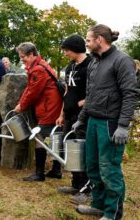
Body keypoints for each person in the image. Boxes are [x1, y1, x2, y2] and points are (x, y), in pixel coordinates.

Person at [74, 24, 138, 220]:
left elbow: (130, 94)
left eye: (88, 39)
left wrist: (122, 126)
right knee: (92, 166)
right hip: (93, 120)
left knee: (109, 169)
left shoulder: (122, 61)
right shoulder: (94, 62)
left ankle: (112, 213)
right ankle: (98, 205)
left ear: (99, 40)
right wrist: (82, 118)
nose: (86, 43)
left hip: (111, 123)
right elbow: (90, 94)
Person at [14, 42, 63, 182]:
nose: (21, 59)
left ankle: (39, 173)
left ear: (31, 55)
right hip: (53, 105)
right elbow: (30, 88)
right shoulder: (41, 64)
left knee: (39, 135)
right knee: (55, 136)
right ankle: (56, 169)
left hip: (48, 107)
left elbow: (33, 92)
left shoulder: (37, 70)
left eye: (23, 57)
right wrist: (21, 103)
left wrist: (21, 106)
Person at [55, 34, 93, 201]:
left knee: (83, 152)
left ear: (76, 49)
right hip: (69, 115)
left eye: (67, 50)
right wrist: (62, 113)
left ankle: (86, 188)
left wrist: (82, 103)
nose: (65, 53)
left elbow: (95, 90)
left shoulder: (90, 65)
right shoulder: (70, 67)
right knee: (71, 150)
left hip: (84, 117)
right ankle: (75, 183)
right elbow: (67, 92)